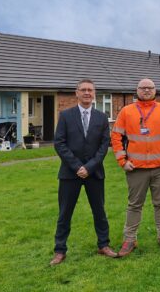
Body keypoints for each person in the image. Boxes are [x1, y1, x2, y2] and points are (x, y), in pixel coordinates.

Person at [111, 78, 160, 256]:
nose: (146, 91)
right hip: (136, 168)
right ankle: (129, 239)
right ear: (137, 91)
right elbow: (116, 137)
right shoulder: (127, 111)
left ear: (155, 90)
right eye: (143, 88)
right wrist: (122, 161)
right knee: (134, 205)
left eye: (150, 88)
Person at [50, 79, 117, 265]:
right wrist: (77, 166)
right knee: (65, 213)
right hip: (70, 174)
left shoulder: (102, 118)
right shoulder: (65, 116)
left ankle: (104, 245)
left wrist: (89, 167)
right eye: (84, 90)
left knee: (99, 211)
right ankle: (59, 250)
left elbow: (104, 145)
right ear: (76, 93)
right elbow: (59, 143)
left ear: (94, 94)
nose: (87, 93)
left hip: (94, 173)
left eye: (90, 90)